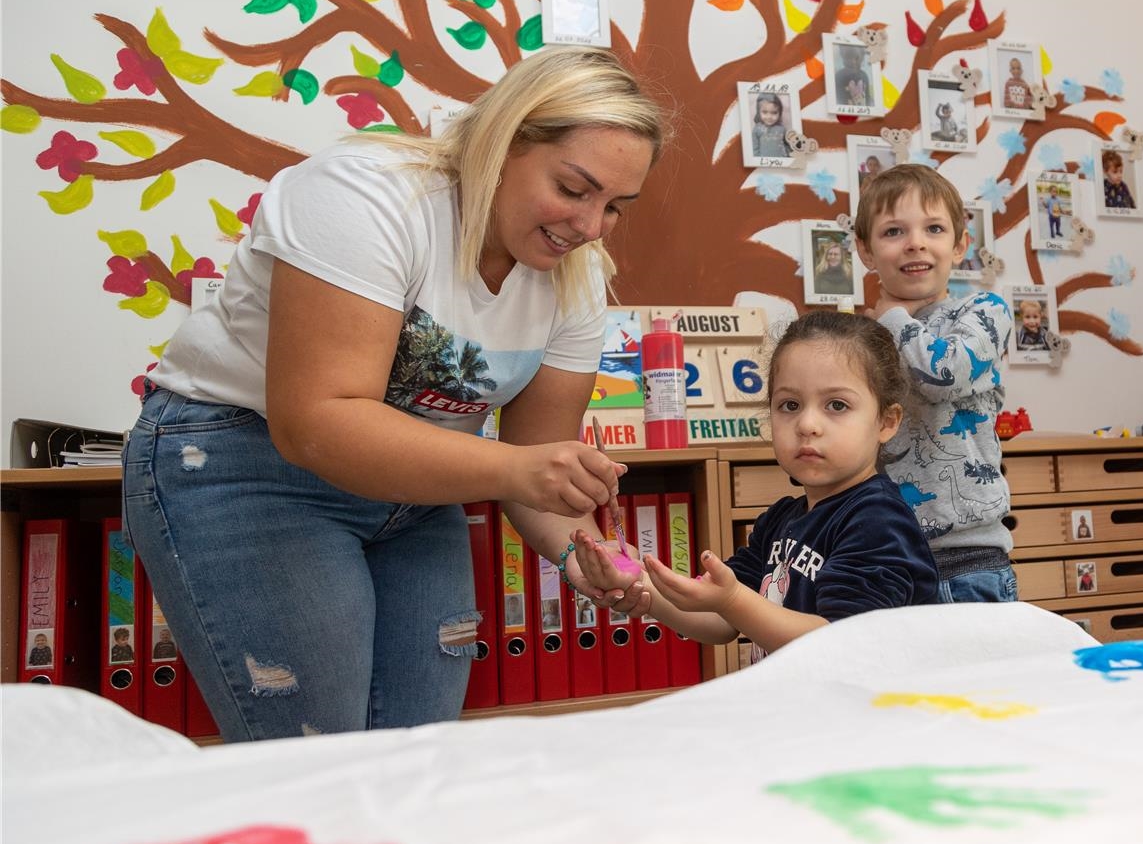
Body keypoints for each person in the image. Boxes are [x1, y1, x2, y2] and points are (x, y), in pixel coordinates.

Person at [122, 47, 667, 741]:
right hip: (250, 460)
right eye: (573, 188)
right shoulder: (365, 195)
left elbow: (536, 467)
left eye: (615, 207)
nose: (589, 228)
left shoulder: (577, 277)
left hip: (417, 489)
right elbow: (317, 423)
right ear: (504, 142)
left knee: (418, 760)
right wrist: (520, 469)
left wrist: (579, 557)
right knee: (321, 761)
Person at [573, 311, 939, 661]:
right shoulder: (781, 519)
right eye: (790, 404)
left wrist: (732, 599)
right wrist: (641, 584)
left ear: (887, 422)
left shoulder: (878, 521)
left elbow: (839, 641)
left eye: (837, 405)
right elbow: (721, 620)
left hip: (861, 720)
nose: (807, 424)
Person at [853, 164, 1017, 603]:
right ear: (866, 251)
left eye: (934, 228)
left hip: (967, 559)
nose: (915, 243)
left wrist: (890, 317)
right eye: (893, 232)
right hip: (885, 557)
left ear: (960, 245)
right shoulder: (863, 341)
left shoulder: (984, 312)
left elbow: (943, 375)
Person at [751, 92, 790, 159]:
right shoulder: (757, 129)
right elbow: (755, 149)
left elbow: (787, 146)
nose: (769, 117)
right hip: (763, 163)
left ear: (779, 113)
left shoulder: (782, 129)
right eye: (765, 112)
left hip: (782, 162)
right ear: (759, 112)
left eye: (774, 113)